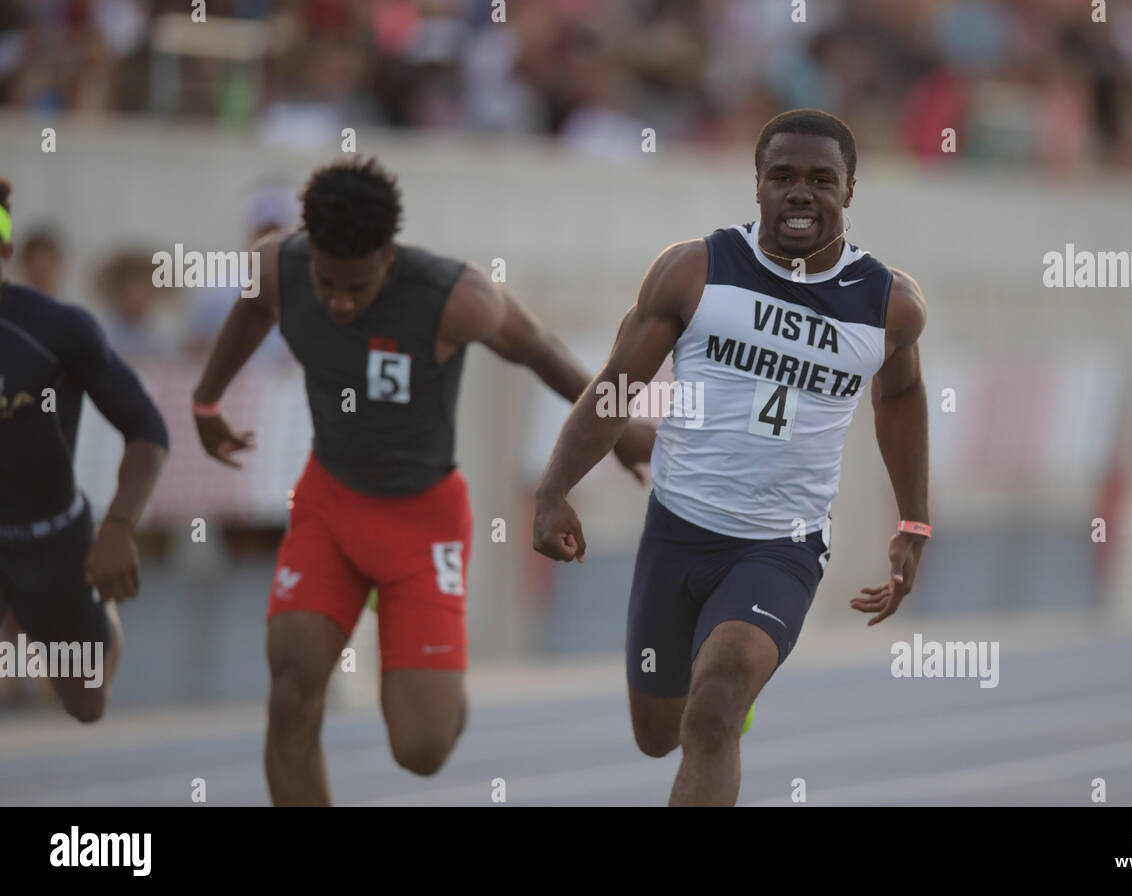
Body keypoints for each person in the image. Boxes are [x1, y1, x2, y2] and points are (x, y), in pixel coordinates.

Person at [192, 157, 654, 806]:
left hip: (423, 519)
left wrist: (619, 429)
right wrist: (207, 400)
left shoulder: (457, 298)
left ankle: (424, 668)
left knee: (421, 749)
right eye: (327, 284)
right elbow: (250, 310)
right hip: (329, 501)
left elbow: (539, 347)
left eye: (358, 287)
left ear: (388, 256)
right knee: (292, 694)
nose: (341, 303)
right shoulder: (276, 266)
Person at [533, 109, 932, 806]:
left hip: (781, 546)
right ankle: (720, 697)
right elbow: (616, 388)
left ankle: (728, 695)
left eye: (821, 179)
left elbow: (900, 399)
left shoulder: (889, 305)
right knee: (659, 733)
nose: (800, 193)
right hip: (679, 528)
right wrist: (554, 489)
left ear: (850, 191)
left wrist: (915, 521)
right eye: (782, 177)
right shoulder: (694, 271)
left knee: (713, 710)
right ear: (757, 186)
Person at [0, 176, 169, 722]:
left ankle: (101, 625)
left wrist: (119, 526)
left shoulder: (56, 330)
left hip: (53, 541)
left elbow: (146, 424)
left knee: (86, 700)